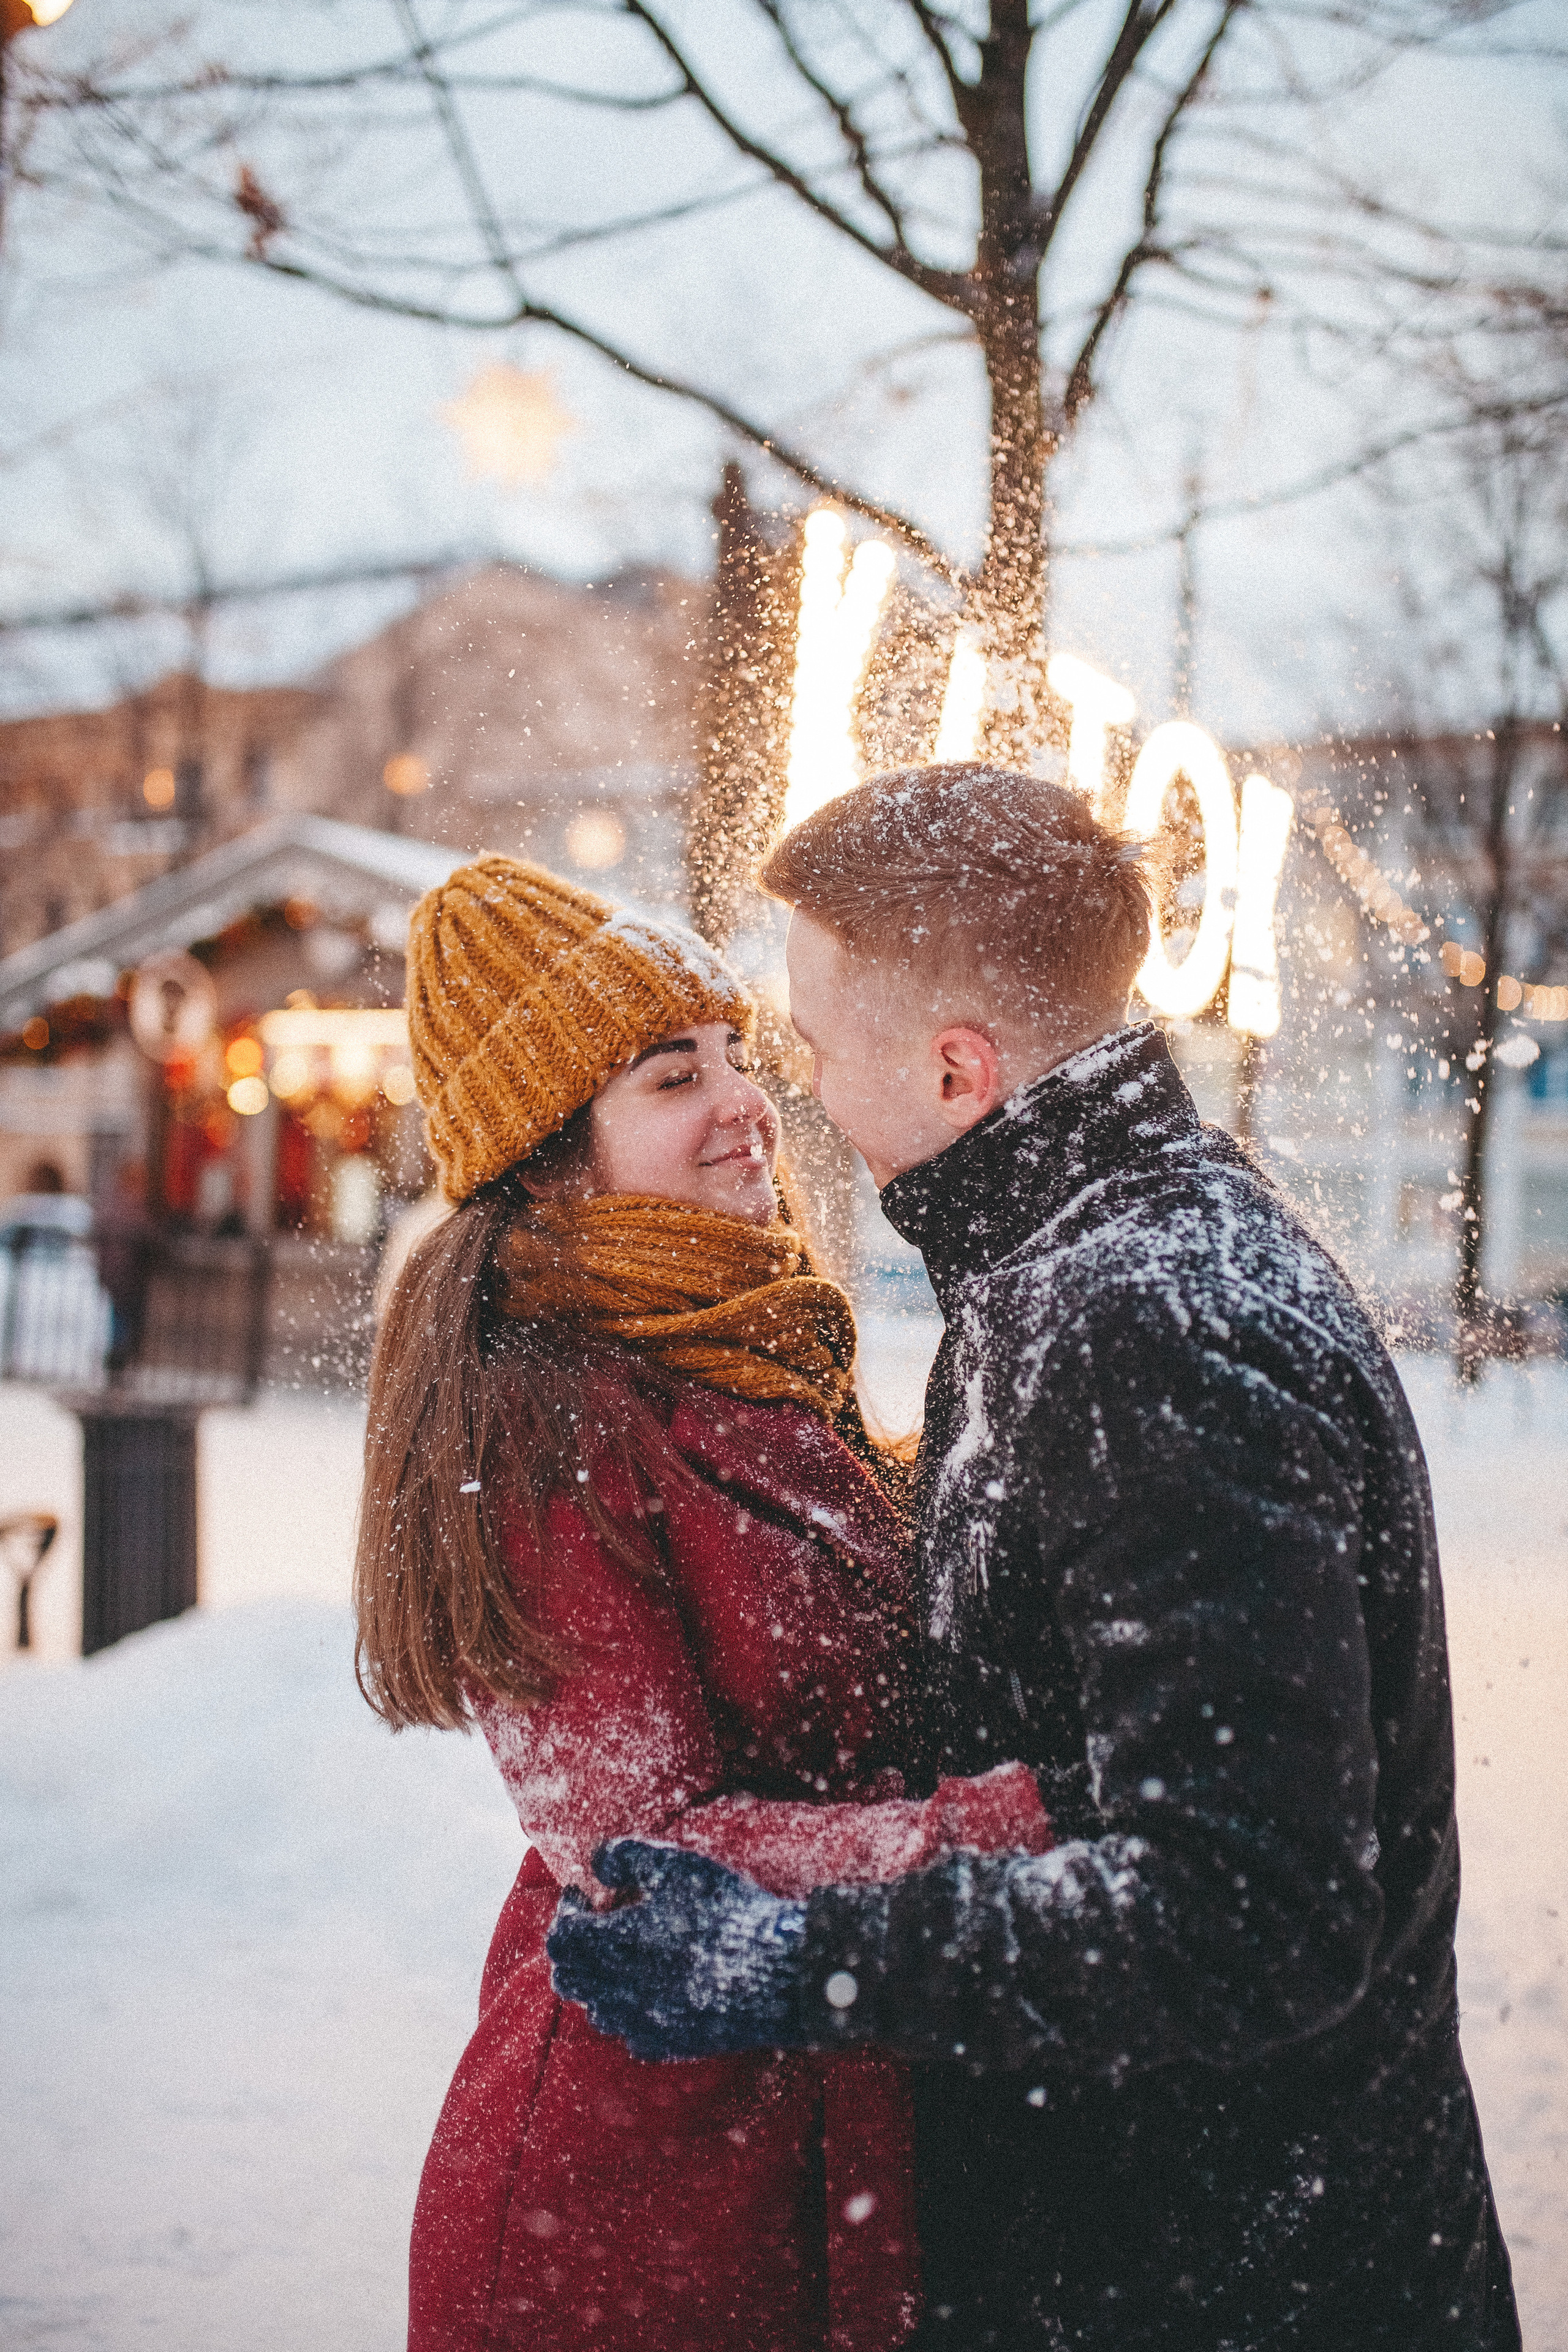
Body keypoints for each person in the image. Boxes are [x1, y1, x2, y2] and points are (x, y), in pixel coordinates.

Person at [549, 767, 1522, 2351]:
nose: (791, 1080)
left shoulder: (1145, 1326)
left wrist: (812, 1960)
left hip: (1229, 2282)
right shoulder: (1080, 1264)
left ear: (955, 1066)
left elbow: (1248, 1912)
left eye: (812, 1038)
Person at [353, 854, 1050, 2352]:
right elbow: (642, 1849)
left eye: (735, 1056)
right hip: (637, 2201)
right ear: (553, 1160)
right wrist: (1016, 1825)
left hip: (814, 2134)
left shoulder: (740, 1345)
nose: (742, 1100)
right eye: (673, 1077)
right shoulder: (541, 1416)